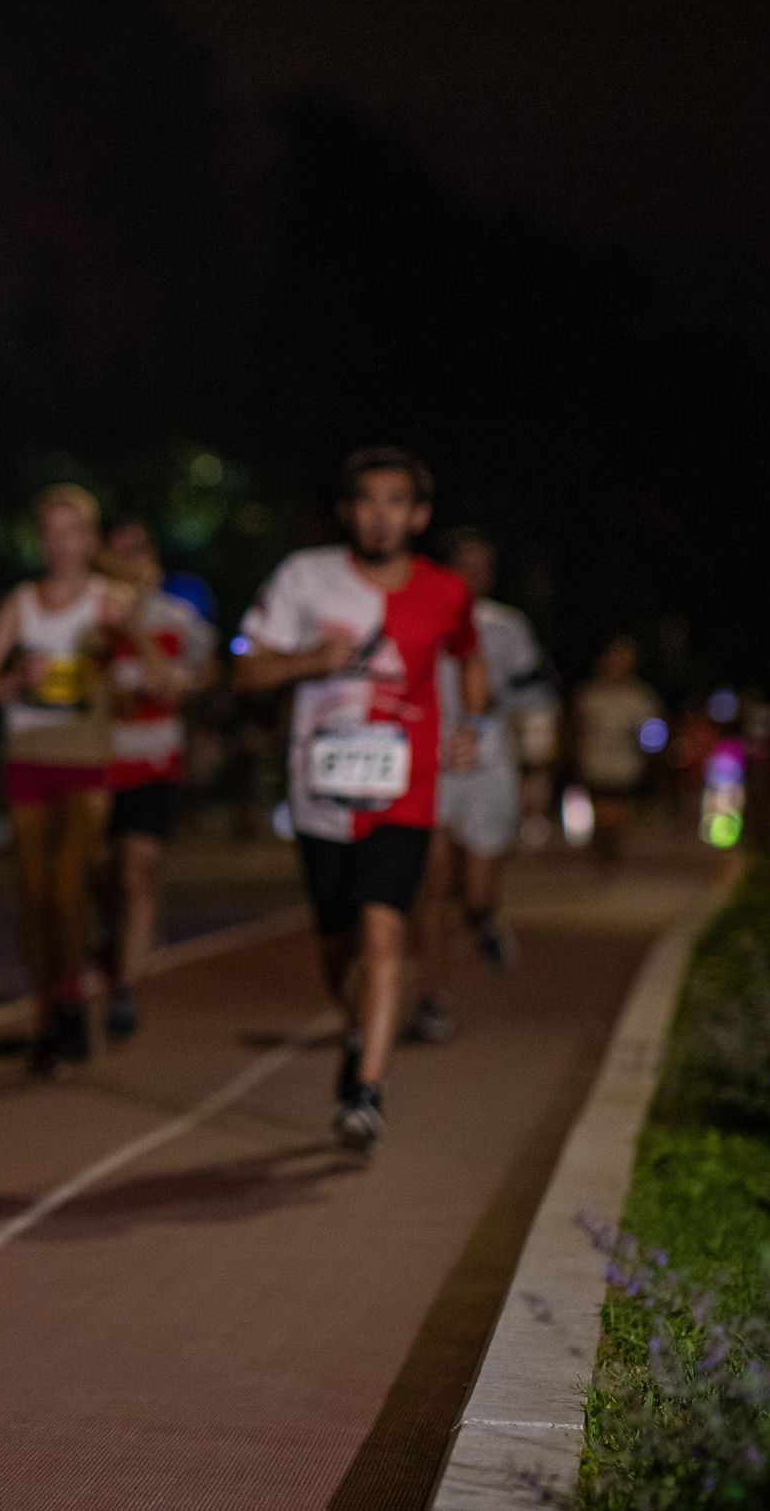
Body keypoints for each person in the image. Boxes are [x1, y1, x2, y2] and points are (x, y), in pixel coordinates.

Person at [233, 448, 484, 1153]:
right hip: (323, 789)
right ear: (347, 511)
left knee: (384, 932)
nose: (380, 515)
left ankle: (366, 1089)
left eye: (395, 501)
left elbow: (470, 659)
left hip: (405, 788)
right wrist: (308, 660)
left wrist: (472, 727)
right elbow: (245, 668)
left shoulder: (444, 591)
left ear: (419, 515)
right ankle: (355, 1032)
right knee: (339, 946)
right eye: (366, 500)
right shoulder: (303, 577)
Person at [0, 486, 156, 1075]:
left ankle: (70, 997)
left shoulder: (108, 602)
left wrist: (125, 674)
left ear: (89, 541)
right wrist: (17, 678)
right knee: (35, 898)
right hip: (28, 758)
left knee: (68, 887)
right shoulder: (20, 604)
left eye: (73, 531)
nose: (60, 544)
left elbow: (158, 665)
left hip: (85, 762)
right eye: (51, 532)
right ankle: (51, 1009)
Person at [406, 529, 553, 1043]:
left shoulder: (508, 627)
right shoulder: (421, 616)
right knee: (432, 883)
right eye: (465, 564)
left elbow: (534, 701)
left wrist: (536, 770)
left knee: (475, 890)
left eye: (483, 566)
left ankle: (485, 921)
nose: (475, 575)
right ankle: (434, 997)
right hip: (433, 766)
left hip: (490, 766)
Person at [95, 518, 213, 1039]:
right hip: (95, 765)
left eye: (138, 550)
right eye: (118, 551)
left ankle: (125, 990)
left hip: (152, 762)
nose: (130, 562)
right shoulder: (91, 614)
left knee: (136, 870)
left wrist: (140, 628)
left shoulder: (178, 616)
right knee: (98, 875)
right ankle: (111, 940)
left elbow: (182, 682)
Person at [573, 638, 660, 867]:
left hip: (625, 763)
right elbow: (577, 730)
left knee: (618, 815)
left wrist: (650, 753)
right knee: (601, 816)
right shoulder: (589, 695)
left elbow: (652, 733)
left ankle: (612, 857)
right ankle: (601, 853)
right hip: (596, 762)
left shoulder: (641, 697)